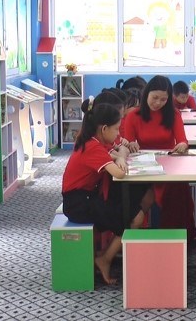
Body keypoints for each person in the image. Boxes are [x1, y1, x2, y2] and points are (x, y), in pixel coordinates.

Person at [61, 102, 144, 285]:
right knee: (133, 218)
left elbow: (117, 154)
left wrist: (119, 156)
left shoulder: (94, 142)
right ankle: (104, 259)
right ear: (104, 128)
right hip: (78, 204)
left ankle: (105, 256)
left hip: (87, 197)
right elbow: (119, 173)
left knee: (135, 214)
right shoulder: (92, 147)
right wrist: (120, 158)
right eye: (116, 129)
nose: (118, 134)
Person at [121, 75, 195, 238]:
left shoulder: (173, 114)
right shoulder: (134, 116)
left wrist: (182, 145)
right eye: (154, 98)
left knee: (177, 189)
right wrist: (131, 144)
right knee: (138, 197)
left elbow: (182, 140)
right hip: (143, 167)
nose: (158, 103)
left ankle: (175, 238)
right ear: (146, 94)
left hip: (169, 167)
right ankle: (136, 237)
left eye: (163, 99)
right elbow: (126, 144)